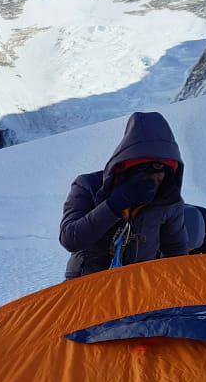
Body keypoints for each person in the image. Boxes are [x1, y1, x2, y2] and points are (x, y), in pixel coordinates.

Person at [59, 111, 189, 279]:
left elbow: (176, 251)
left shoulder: (169, 201)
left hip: (137, 290)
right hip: (87, 286)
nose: (154, 178)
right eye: (145, 168)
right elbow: (71, 239)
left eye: (161, 169)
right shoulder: (89, 186)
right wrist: (113, 205)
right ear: (128, 165)